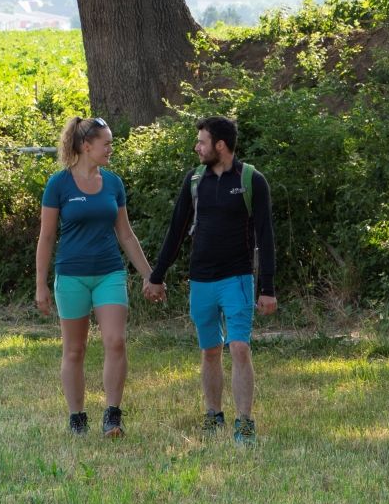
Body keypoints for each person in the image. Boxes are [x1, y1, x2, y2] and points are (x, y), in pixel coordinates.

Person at [144, 115, 277, 442]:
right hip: (201, 280)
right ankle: (213, 415)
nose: (197, 147)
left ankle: (244, 422)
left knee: (240, 348)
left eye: (202, 141)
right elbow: (176, 231)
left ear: (220, 145)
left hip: (238, 279)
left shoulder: (251, 180)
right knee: (210, 350)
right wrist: (157, 276)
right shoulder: (194, 181)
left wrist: (268, 288)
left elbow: (266, 236)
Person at [35, 114, 154, 437]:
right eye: (106, 143)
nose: (110, 149)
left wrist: (149, 275)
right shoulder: (58, 184)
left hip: (109, 273)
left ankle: (113, 415)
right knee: (75, 350)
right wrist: (40, 285)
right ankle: (77, 417)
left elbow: (126, 235)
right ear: (86, 146)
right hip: (71, 276)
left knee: (116, 341)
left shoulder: (113, 183)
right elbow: (46, 237)